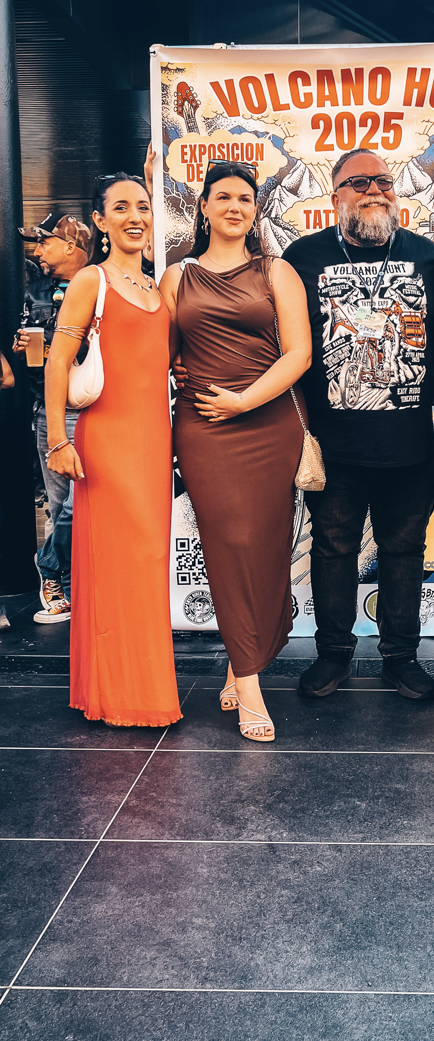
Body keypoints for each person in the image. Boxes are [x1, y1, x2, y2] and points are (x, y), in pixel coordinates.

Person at [281, 148, 434, 701]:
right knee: (332, 551)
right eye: (359, 183)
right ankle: (333, 656)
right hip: (334, 446)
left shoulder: (429, 258)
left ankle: (400, 657)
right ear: (336, 196)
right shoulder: (303, 257)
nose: (375, 190)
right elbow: (279, 343)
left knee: (405, 552)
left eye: (384, 182)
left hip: (410, 445)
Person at [162, 160, 311, 743]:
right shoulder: (178, 278)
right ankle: (249, 680)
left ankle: (239, 657)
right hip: (204, 428)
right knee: (229, 545)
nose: (233, 206)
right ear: (203, 207)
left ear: (255, 210)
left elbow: (298, 353)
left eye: (244, 198)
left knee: (269, 548)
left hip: (268, 423)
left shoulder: (278, 271)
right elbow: (161, 355)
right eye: (221, 196)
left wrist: (245, 400)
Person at [45, 172, 181, 728]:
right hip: (104, 443)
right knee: (116, 567)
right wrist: (58, 439)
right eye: (120, 207)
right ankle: (127, 694)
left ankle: (131, 684)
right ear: (100, 222)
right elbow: (57, 363)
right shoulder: (90, 282)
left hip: (154, 446)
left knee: (148, 566)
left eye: (143, 206)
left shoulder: (161, 288)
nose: (134, 216)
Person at [14, 213, 90, 623]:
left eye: (44, 242)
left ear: (70, 246)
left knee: (79, 505)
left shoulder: (101, 282)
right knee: (61, 502)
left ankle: (48, 567)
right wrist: (24, 349)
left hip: (94, 411)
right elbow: (31, 361)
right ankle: (70, 586)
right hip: (49, 410)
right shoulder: (35, 291)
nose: (38, 251)